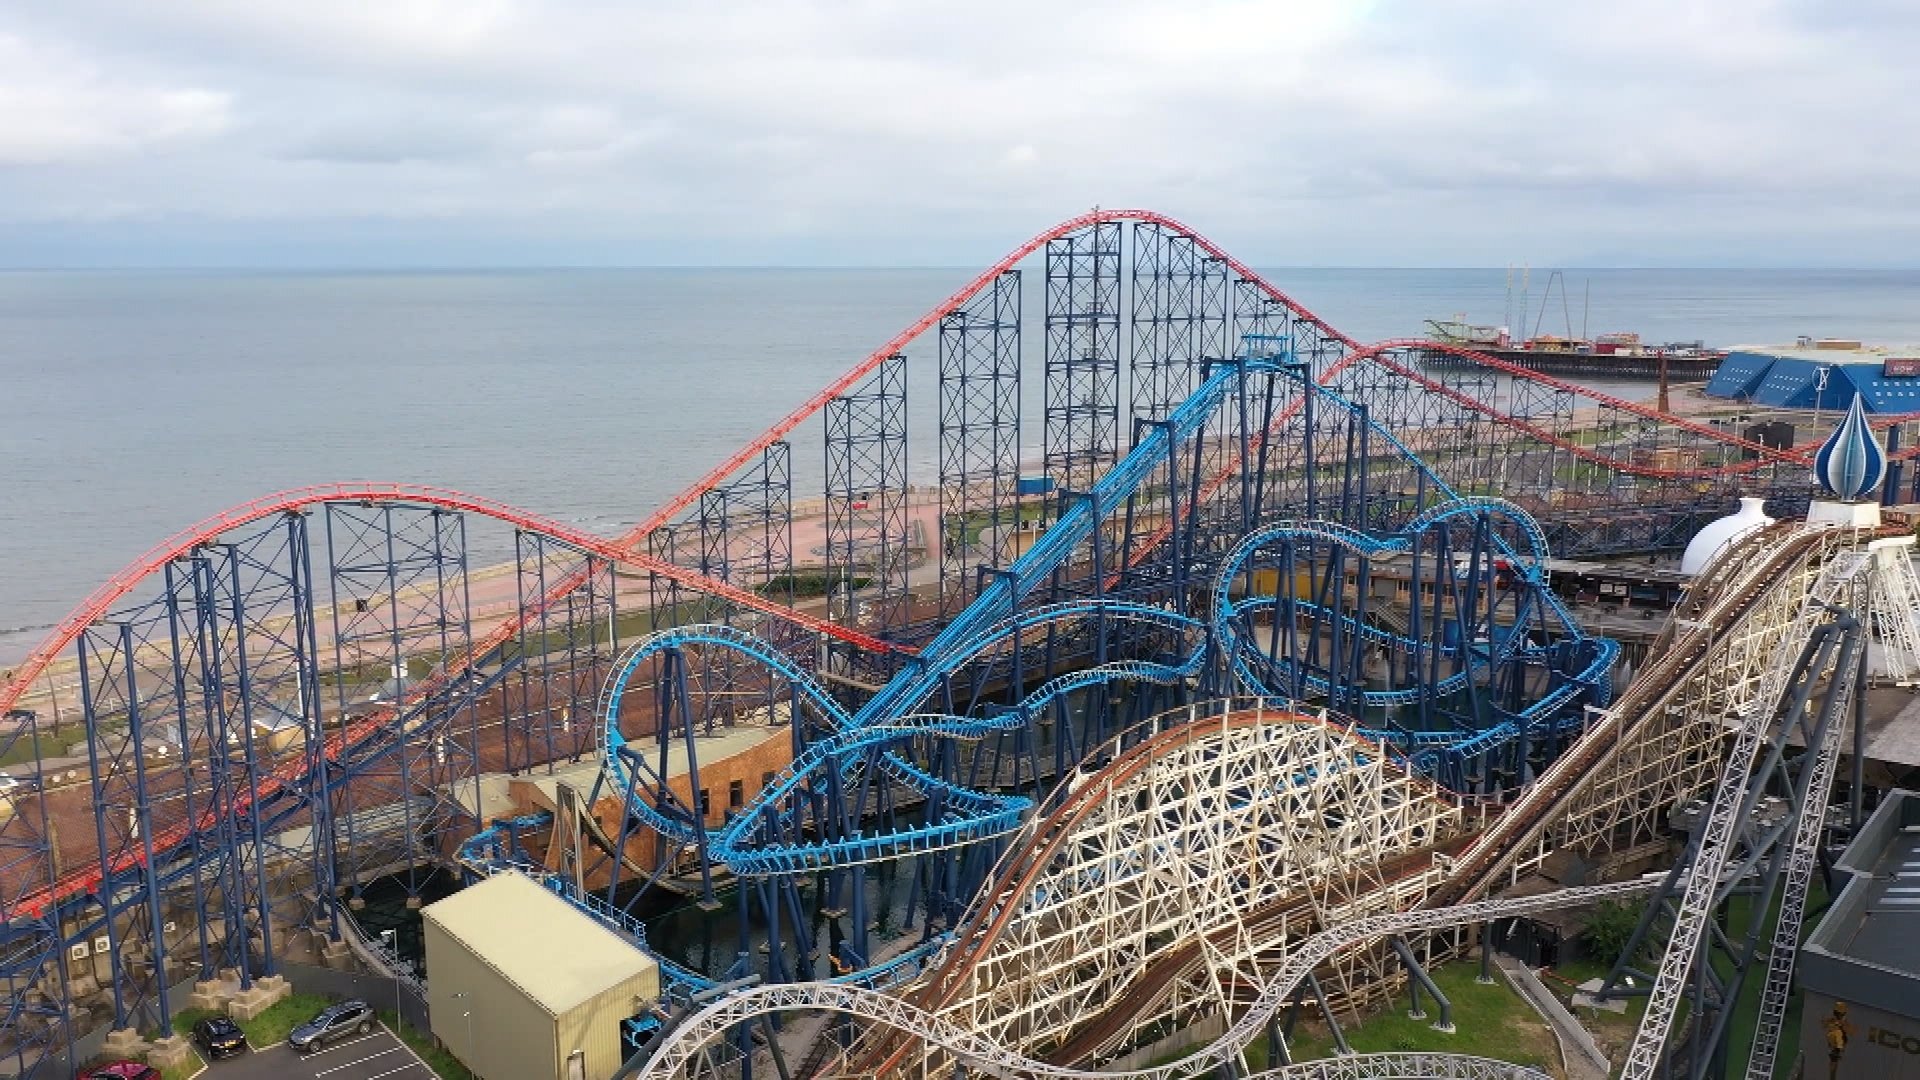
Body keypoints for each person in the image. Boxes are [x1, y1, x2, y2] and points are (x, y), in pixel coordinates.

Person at [1824, 1001, 1854, 1080]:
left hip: (1836, 1046)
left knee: (1834, 1064)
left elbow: (1851, 1031)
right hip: (1835, 1046)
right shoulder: (1836, 1026)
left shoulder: (1840, 1024)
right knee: (1833, 1064)